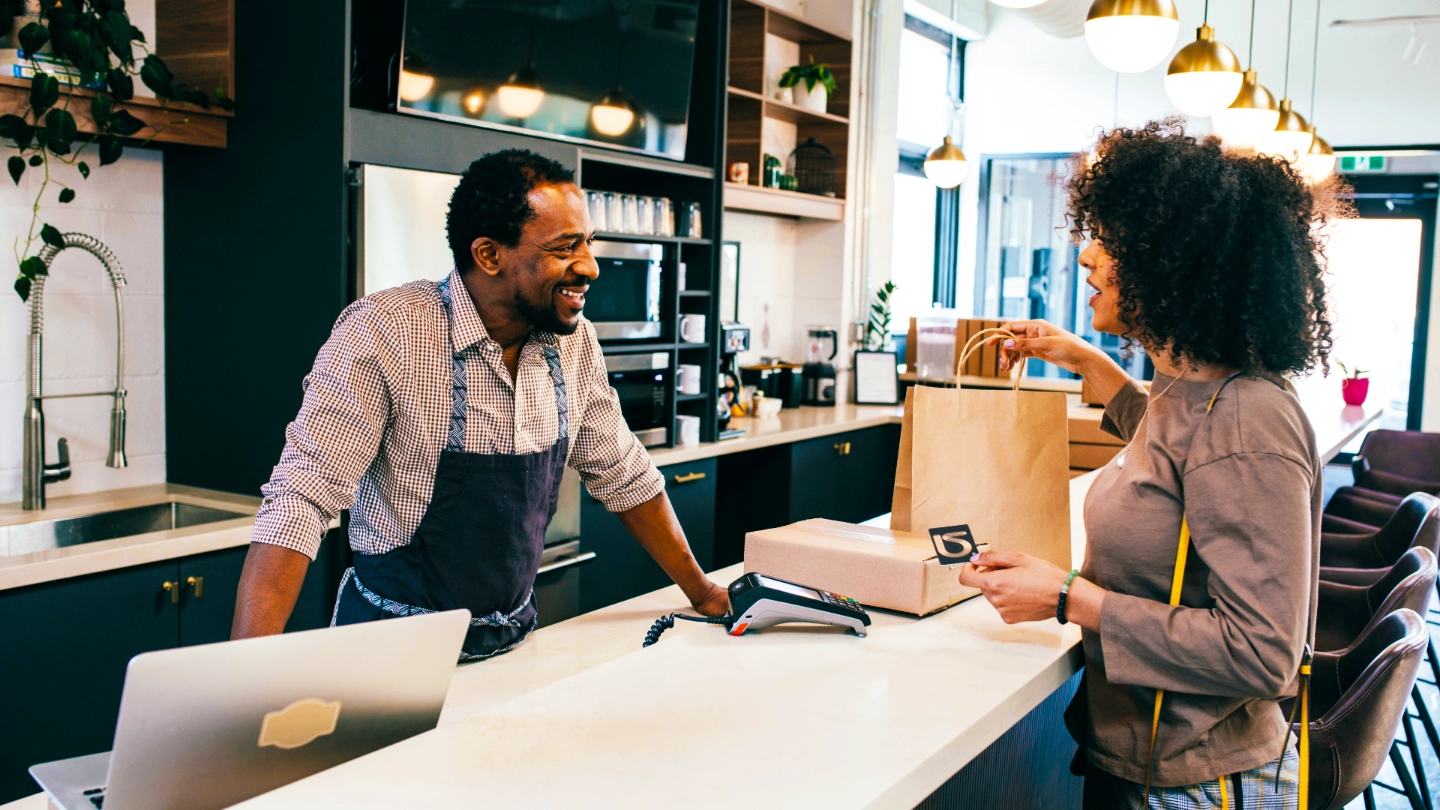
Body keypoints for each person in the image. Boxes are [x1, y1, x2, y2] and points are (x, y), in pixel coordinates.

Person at [958, 121, 1339, 808]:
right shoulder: (1198, 390)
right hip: (1155, 761)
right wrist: (1083, 359)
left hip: (1199, 783)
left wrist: (1069, 597)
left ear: (1173, 263)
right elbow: (1174, 456)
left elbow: (1263, 653)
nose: (1086, 258)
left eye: (1111, 243)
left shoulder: (1246, 421)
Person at [232, 149, 728, 658]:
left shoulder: (574, 343)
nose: (590, 267)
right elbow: (300, 499)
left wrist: (704, 592)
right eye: (565, 248)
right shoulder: (387, 330)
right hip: (387, 652)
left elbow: (624, 474)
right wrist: (245, 674)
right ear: (489, 255)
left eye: (589, 243)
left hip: (514, 643)